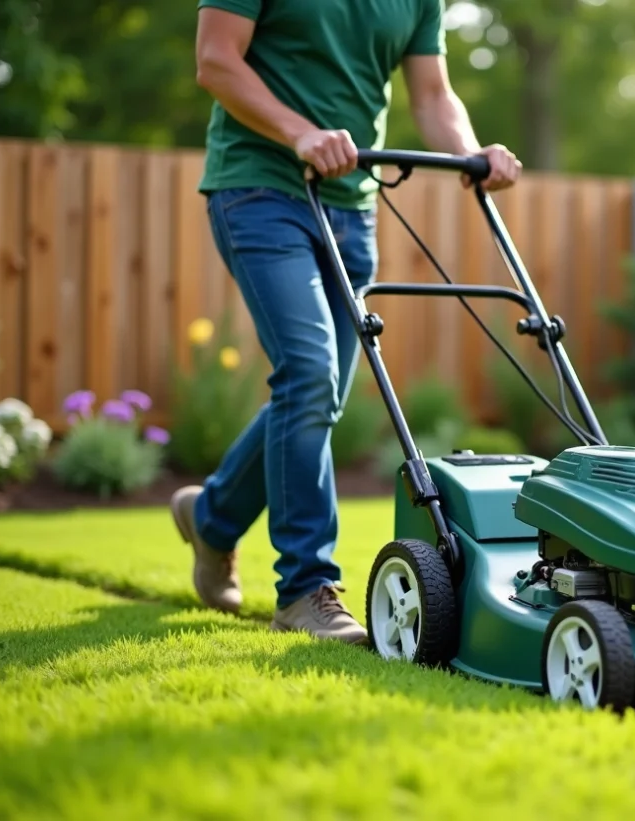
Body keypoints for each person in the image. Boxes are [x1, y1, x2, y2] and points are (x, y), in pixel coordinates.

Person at [170, 0, 521, 644]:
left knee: (319, 392)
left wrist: (475, 154)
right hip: (258, 188)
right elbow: (216, 61)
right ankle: (305, 588)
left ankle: (213, 519)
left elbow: (434, 93)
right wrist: (300, 131)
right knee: (307, 372)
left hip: (352, 207)